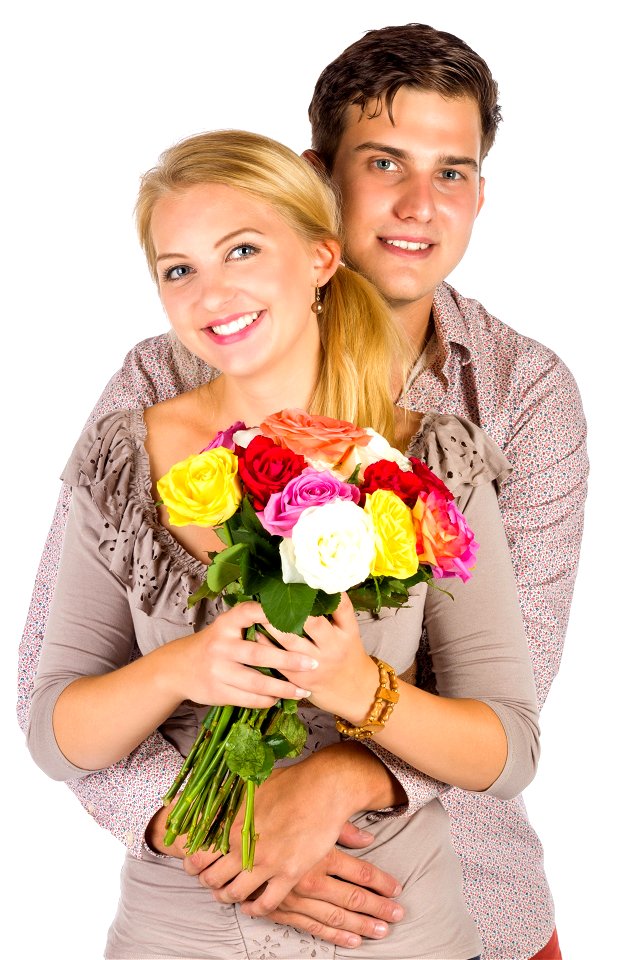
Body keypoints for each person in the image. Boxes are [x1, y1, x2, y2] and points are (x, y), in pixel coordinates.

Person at [17, 23, 587, 960]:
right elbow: (57, 683)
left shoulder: (515, 397)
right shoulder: (154, 392)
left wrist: (333, 779)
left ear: (481, 192)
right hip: (195, 905)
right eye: (385, 161)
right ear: (321, 179)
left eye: (452, 171)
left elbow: (512, 693)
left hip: (453, 899)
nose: (418, 203)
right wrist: (213, 829)